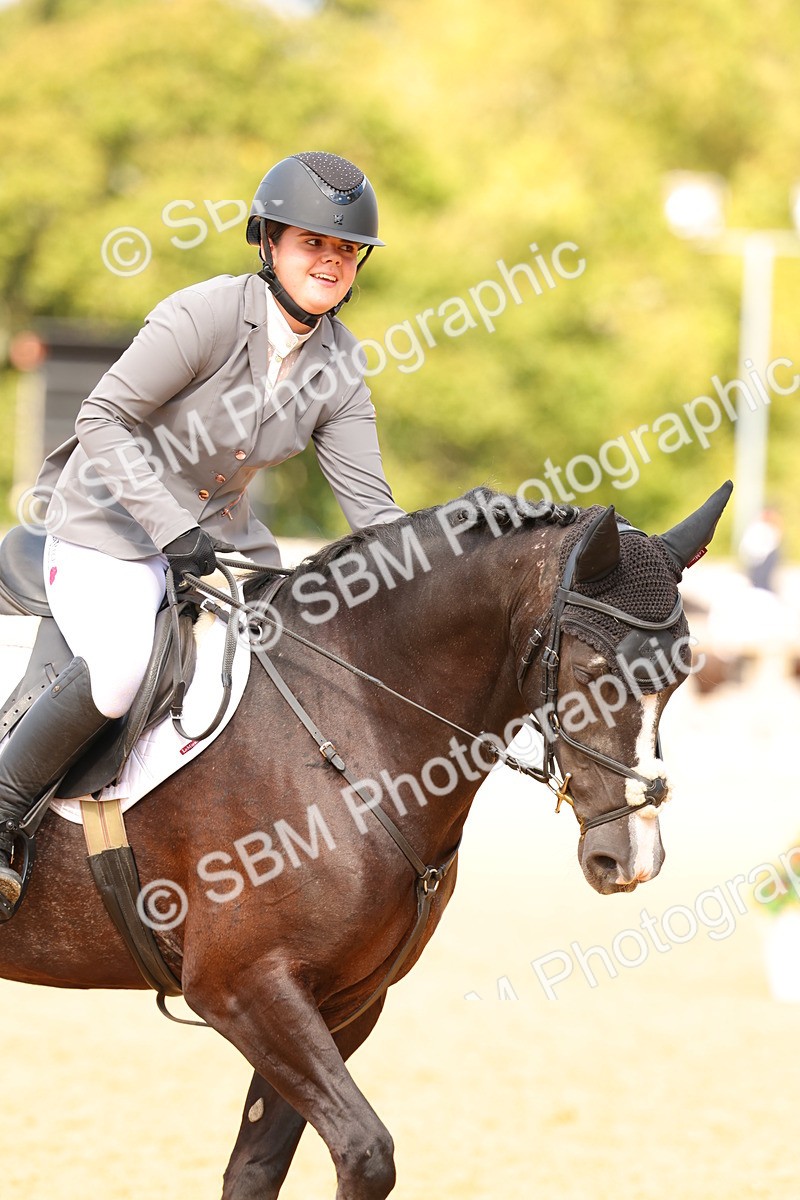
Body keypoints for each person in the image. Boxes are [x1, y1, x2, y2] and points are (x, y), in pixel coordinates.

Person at [0, 151, 404, 914]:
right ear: (270, 243)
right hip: (105, 526)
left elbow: (372, 509)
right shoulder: (205, 314)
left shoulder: (341, 363)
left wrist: (434, 568)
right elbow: (102, 418)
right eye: (313, 242)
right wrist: (171, 526)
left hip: (219, 550)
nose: (331, 260)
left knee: (294, 664)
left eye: (346, 250)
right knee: (120, 669)